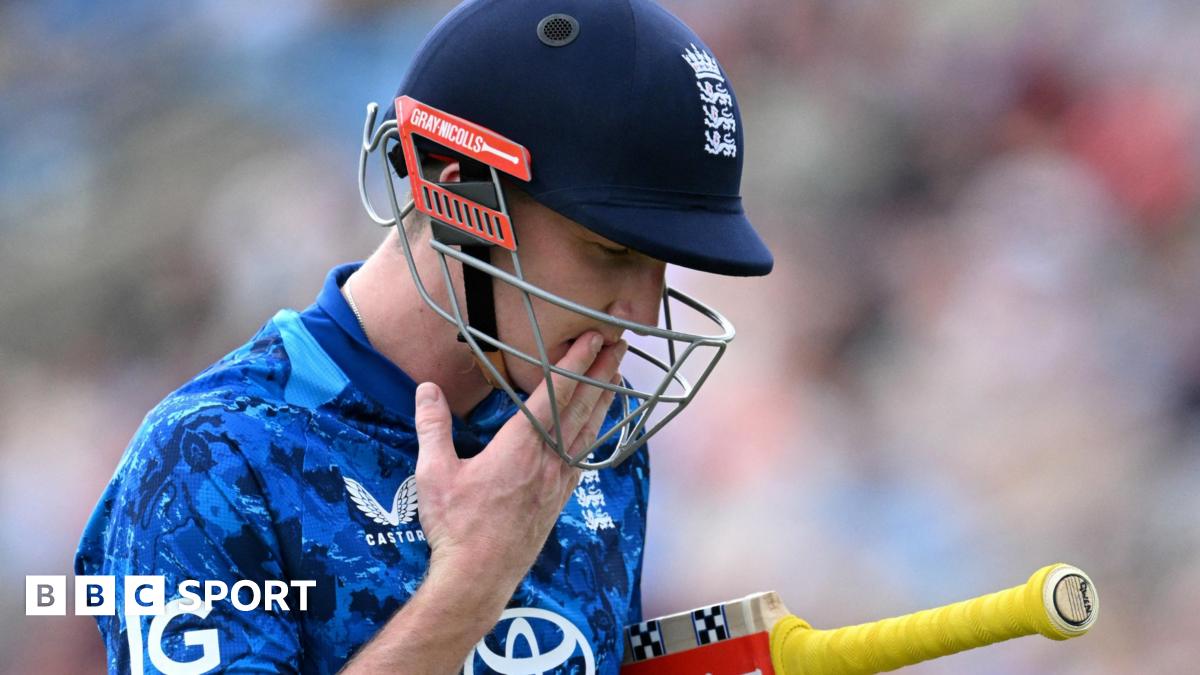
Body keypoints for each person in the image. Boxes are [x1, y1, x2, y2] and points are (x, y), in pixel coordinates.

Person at [75, 0, 774, 672]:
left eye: (663, 262)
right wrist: (473, 581)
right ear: (460, 200)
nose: (643, 314)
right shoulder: (213, 457)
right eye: (613, 252)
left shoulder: (597, 430)